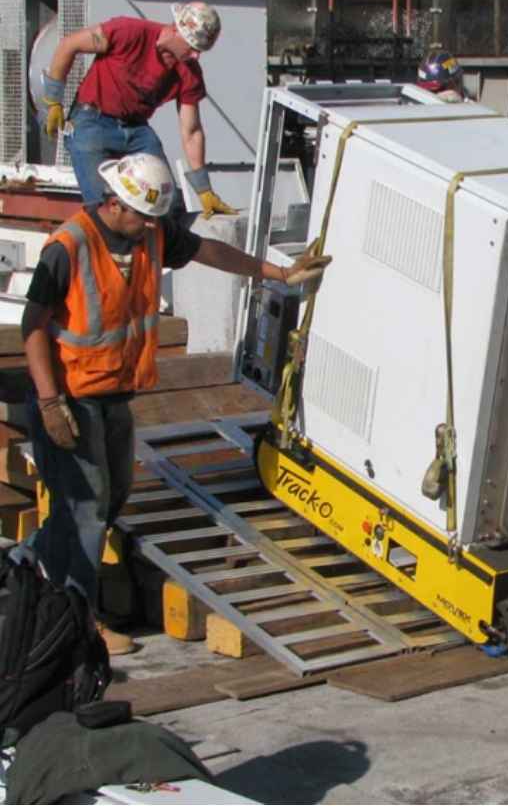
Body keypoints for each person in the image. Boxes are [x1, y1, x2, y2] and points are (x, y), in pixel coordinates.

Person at [12, 153, 331, 655]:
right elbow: (33, 328)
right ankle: (76, 625)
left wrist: (280, 273)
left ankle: (24, 568)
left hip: (114, 394)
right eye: (140, 215)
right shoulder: (69, 246)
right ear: (114, 203)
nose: (147, 227)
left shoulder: (151, 235)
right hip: (70, 399)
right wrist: (51, 403)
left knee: (112, 498)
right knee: (88, 511)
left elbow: (209, 252)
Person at [38, 2, 236, 219]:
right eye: (191, 46)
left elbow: (192, 132)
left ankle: (158, 248)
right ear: (175, 30)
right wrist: (53, 101)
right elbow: (69, 44)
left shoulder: (189, 72)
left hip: (136, 129)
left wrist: (204, 190)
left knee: (164, 202)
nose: (195, 56)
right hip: (91, 121)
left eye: (200, 51)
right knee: (104, 209)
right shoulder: (129, 32)